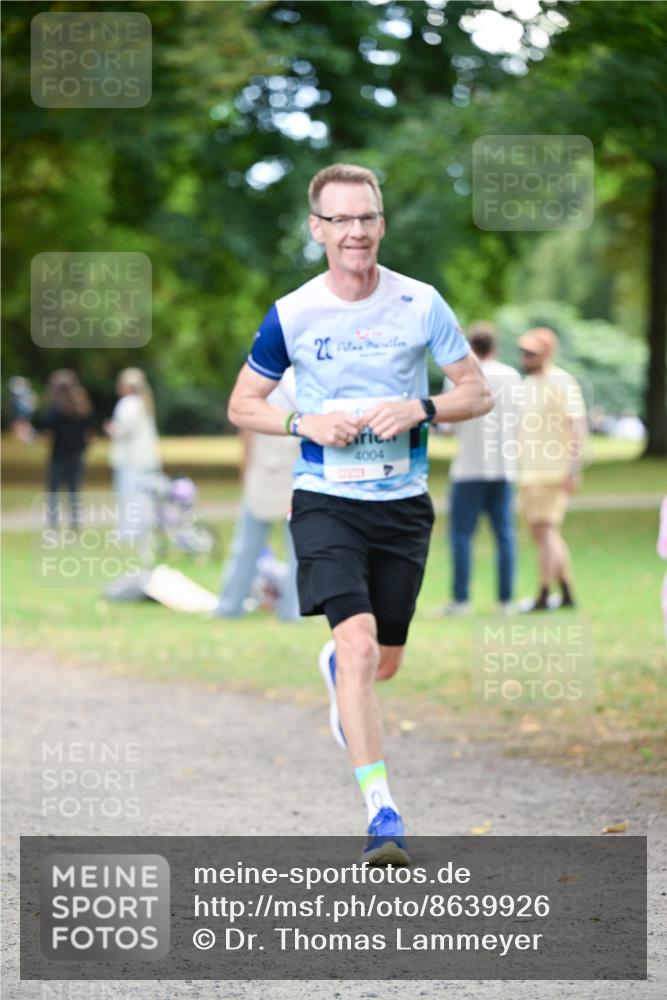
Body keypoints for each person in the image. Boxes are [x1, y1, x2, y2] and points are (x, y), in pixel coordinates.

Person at [227, 163, 492, 864]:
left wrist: (422, 407)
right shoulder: (292, 313)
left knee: (384, 663)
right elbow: (242, 404)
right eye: (339, 220)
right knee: (358, 645)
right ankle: (382, 813)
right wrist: (301, 424)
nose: (355, 232)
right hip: (326, 503)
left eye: (366, 218)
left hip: (402, 507)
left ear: (381, 223)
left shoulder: (419, 303)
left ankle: (341, 670)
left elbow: (478, 391)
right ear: (317, 230)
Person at [440, 324, 522, 615]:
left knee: (461, 535)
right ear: (495, 346)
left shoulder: (458, 379)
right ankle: (506, 600)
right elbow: (520, 421)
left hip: (468, 467)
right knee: (505, 535)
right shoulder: (512, 376)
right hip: (503, 467)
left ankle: (461, 600)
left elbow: (448, 427)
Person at [217, 368, 300, 622]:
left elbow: (246, 433)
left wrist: (245, 472)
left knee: (247, 546)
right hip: (285, 474)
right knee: (296, 549)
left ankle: (231, 606)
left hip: (273, 474)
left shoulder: (260, 379)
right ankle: (293, 610)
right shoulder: (301, 379)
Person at [516, 327, 587, 612]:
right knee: (542, 532)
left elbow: (576, 426)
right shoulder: (527, 386)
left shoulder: (562, 381)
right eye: (524, 351)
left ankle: (544, 593)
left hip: (553, 471)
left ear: (546, 353)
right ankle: (566, 590)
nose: (525, 357)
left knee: (545, 531)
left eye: (531, 352)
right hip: (530, 471)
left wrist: (574, 467)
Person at [28, 370, 95, 529]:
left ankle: (53, 526)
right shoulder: (82, 407)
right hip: (77, 455)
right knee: (74, 492)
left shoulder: (55, 409)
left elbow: (45, 432)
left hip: (58, 456)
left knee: (53, 493)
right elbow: (89, 434)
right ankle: (75, 525)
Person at [104, 368, 160, 542]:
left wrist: (110, 429)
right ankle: (146, 530)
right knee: (144, 498)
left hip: (130, 460)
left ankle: (128, 532)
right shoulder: (144, 403)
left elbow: (122, 431)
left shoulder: (127, 403)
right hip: (147, 458)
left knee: (128, 497)